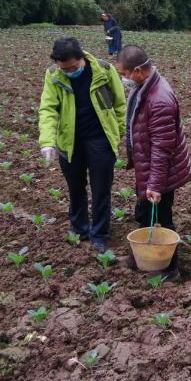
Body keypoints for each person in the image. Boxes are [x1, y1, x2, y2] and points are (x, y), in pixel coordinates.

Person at [38, 37, 126, 253]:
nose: (69, 72)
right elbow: (48, 109)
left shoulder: (103, 70)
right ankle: (79, 228)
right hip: (70, 141)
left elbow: (120, 102)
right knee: (75, 187)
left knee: (101, 189)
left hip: (100, 139)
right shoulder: (53, 75)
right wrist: (48, 142)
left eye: (73, 67)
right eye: (64, 69)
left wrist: (118, 133)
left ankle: (99, 234)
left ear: (82, 58)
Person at [116, 44, 191, 279]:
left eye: (125, 74)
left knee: (162, 218)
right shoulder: (146, 87)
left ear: (138, 70)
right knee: (143, 212)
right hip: (148, 166)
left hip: (160, 170)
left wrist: (155, 185)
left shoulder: (159, 100)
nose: (124, 79)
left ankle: (171, 268)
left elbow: (162, 148)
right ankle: (138, 257)